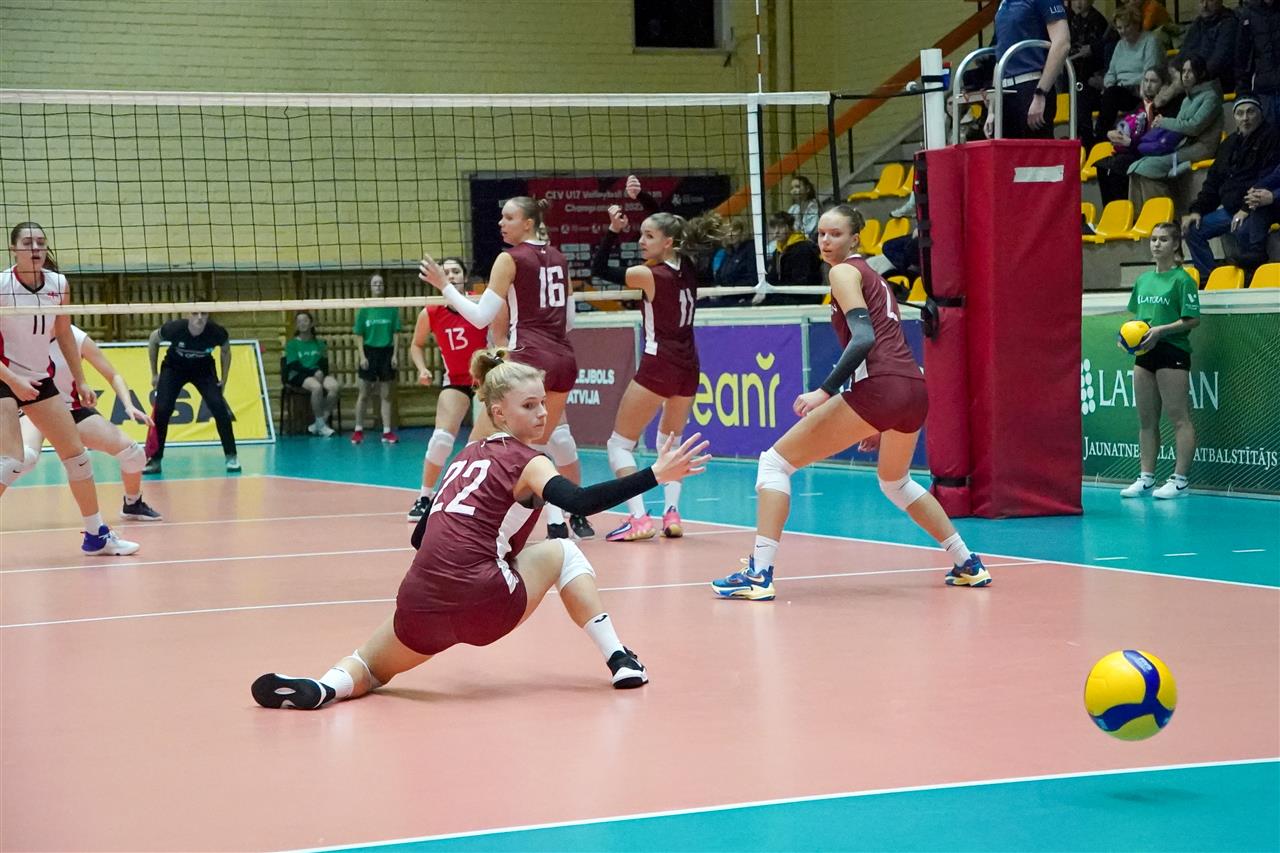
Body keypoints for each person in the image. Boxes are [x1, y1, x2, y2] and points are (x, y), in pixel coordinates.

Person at [251, 349, 711, 709]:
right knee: (563, 551)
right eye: (528, 406)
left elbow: (420, 537)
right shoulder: (530, 460)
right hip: (486, 601)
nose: (542, 413)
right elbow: (578, 503)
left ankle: (325, 687)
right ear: (498, 413)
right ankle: (620, 659)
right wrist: (655, 474)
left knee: (370, 667)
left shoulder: (463, 459)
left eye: (543, 403)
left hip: (421, 599)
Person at [710, 205, 988, 601]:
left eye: (835, 234)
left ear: (855, 238)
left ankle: (758, 574)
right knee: (895, 482)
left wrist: (824, 391)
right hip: (912, 388)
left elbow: (864, 339)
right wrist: (877, 420)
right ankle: (967, 562)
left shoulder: (843, 273)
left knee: (774, 463)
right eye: (821, 234)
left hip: (881, 388)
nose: (825, 241)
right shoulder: (875, 278)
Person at [419, 197, 590, 541]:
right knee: (537, 450)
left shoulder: (509, 258)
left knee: (476, 448)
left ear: (528, 223)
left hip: (528, 359)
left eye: (509, 217)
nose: (501, 223)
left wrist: (444, 286)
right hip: (564, 360)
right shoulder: (559, 258)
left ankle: (434, 526)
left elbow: (480, 316)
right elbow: (570, 320)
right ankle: (556, 524)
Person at [0, 221, 139, 555]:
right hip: (4, 377)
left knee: (78, 458)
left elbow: (64, 333)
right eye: (28, 243)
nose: (36, 248)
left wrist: (80, 379)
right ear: (13, 249)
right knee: (13, 461)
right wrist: (14, 381)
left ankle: (96, 536)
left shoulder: (58, 284)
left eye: (41, 242)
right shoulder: (2, 285)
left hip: (39, 378)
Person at [590, 200, 720, 541]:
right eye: (641, 234)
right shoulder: (688, 265)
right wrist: (645, 201)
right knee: (669, 442)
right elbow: (674, 222)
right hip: (689, 366)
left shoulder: (648, 275)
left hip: (659, 364)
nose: (641, 241)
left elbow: (598, 268)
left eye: (649, 236)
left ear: (668, 242)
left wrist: (613, 231)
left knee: (619, 445)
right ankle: (672, 513)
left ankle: (638, 518)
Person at [18, 324, 162, 520]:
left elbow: (113, 375)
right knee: (24, 459)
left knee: (134, 454)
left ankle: (132, 504)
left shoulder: (76, 337)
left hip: (71, 409)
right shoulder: (22, 332)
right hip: (33, 408)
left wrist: (129, 405)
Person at [1119, 221, 1200, 500]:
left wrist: (1161, 331)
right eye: (1153, 239)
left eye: (1163, 239)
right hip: (1144, 353)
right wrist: (1126, 338)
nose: (1156, 244)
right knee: (1146, 420)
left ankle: (1180, 480)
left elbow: (1192, 319)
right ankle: (1146, 478)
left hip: (1172, 351)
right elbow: (1138, 319)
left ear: (1175, 245)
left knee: (1179, 418)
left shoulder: (1183, 280)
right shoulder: (1143, 280)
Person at [406, 258, 488, 522]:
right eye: (446, 272)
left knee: (485, 444)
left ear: (465, 276)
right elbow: (416, 344)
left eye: (456, 271)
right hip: (456, 380)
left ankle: (481, 499)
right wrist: (422, 368)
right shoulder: (431, 311)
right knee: (441, 439)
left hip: (486, 380)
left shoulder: (480, 303)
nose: (451, 275)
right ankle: (424, 497)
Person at [1182, 94, 1280, 282]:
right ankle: (1210, 279)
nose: (1245, 118)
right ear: (1234, 117)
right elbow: (1213, 182)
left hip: (1258, 208)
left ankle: (1250, 280)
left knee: (1242, 229)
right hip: (1230, 210)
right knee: (1193, 230)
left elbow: (1266, 180)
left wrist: (1245, 208)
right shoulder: (1228, 144)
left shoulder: (1272, 137)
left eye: (1250, 112)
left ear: (1260, 114)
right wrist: (1197, 210)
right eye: (1240, 113)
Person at [144, 311, 239, 474]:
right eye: (195, 313)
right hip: (174, 368)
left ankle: (231, 456)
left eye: (204, 313)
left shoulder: (217, 332)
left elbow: (226, 351)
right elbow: (153, 339)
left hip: (203, 370)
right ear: (189, 314)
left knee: (219, 407)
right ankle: (155, 459)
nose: (199, 317)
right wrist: (154, 374)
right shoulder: (175, 329)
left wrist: (224, 379)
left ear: (208, 315)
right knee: (162, 410)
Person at [1128, 58, 1223, 210]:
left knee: (1147, 168)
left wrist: (1164, 121)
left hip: (1201, 148)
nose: (1185, 75)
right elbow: (1178, 129)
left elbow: (1194, 127)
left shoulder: (1211, 97)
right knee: (1135, 169)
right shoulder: (1187, 100)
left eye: (1190, 71)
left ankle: (1163, 216)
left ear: (1201, 73)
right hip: (1183, 146)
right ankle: (1141, 218)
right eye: (1183, 71)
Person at [987, 0, 1071, 140]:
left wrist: (1040, 93)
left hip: (1031, 85)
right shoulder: (1004, 4)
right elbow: (1000, 56)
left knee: (1035, 151)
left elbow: (1062, 43)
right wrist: (992, 108)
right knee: (1005, 152)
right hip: (1005, 91)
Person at [1092, 66, 1170, 204]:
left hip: (1149, 154)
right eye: (1146, 80)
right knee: (1103, 166)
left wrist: (1130, 143)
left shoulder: (1165, 109)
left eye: (1153, 81)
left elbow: (1156, 142)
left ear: (1163, 85)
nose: (1148, 85)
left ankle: (1124, 211)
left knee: (1118, 167)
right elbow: (1128, 127)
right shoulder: (1141, 106)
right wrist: (1115, 134)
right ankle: (1110, 211)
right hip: (1132, 150)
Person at [1094, 9, 1163, 143]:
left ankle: (1101, 136)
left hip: (1140, 91)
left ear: (1137, 24)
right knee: (1085, 96)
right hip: (1119, 90)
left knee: (1112, 95)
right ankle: (1084, 139)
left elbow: (1151, 72)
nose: (1122, 31)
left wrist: (1114, 89)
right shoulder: (1120, 45)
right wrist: (1109, 85)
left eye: (1126, 26)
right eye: (1119, 28)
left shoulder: (1150, 41)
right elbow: (1111, 73)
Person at [351, 274, 400, 445]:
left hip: (386, 352)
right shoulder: (364, 309)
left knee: (386, 394)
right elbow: (359, 335)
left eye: (380, 283)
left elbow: (396, 333)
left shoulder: (391, 309)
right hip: (369, 352)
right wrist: (362, 356)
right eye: (375, 283)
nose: (378, 286)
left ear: (384, 286)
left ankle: (387, 432)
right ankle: (358, 430)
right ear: (370, 287)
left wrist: (394, 355)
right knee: (364, 393)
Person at [1069, 0, 1118, 147]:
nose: (1078, 3)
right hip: (1077, 73)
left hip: (1093, 76)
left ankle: (1089, 142)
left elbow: (1100, 51)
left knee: (1083, 103)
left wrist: (1090, 50)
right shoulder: (1074, 20)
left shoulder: (1098, 20)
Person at [284, 311, 340, 437]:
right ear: (296, 325)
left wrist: (321, 373)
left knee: (334, 387)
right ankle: (321, 425)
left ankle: (320, 422)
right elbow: (294, 365)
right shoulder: (292, 344)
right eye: (299, 321)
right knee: (316, 387)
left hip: (318, 373)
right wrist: (314, 372)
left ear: (311, 323)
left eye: (305, 320)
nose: (302, 324)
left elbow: (324, 364)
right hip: (298, 374)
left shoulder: (320, 344)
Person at [1176, 0, 1239, 94]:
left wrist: (1191, 76)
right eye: (1201, 1)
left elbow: (1218, 63)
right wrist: (1174, 71)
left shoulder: (1229, 24)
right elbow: (1182, 54)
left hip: (1215, 87)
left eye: (1210, 0)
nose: (1204, 5)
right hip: (1191, 81)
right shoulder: (1198, 23)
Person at [1236, 0, 1280, 126]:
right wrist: (1242, 90)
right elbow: (1242, 55)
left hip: (1265, 88)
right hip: (1264, 90)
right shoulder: (1249, 14)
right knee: (1268, 134)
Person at [764, 212, 823, 304]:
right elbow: (772, 278)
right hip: (786, 295)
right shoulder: (778, 251)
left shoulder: (803, 249)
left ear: (790, 227)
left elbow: (801, 283)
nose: (776, 231)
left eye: (781, 227)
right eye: (773, 227)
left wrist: (775, 290)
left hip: (805, 298)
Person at [787, 175, 820, 240]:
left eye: (797, 187)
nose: (793, 191)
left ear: (807, 189)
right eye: (792, 188)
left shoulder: (814, 206)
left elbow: (810, 232)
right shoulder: (793, 209)